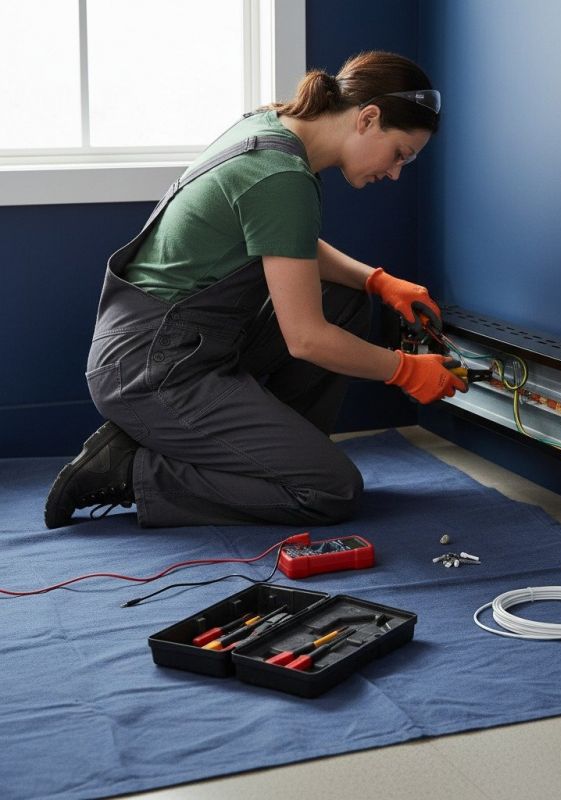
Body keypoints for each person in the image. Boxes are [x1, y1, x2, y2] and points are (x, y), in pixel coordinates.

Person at [44, 51, 466, 530]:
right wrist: (404, 369)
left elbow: (281, 236)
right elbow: (305, 340)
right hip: (151, 367)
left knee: (343, 300)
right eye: (400, 155)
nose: (395, 173)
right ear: (368, 118)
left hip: (186, 341)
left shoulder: (274, 127)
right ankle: (130, 471)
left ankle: (273, 457)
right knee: (331, 490)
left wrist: (376, 280)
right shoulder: (281, 174)